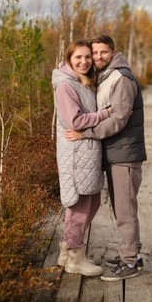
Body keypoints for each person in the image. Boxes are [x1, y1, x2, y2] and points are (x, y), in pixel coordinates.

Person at [65, 34, 147, 281]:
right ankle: (130, 253)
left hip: (124, 154)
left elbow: (119, 119)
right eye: (95, 53)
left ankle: (131, 262)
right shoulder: (106, 76)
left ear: (113, 51)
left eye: (103, 52)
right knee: (122, 208)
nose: (98, 57)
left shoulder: (121, 78)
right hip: (116, 153)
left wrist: (86, 133)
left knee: (125, 211)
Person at [51, 39, 111, 277]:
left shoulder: (82, 81)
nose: (84, 61)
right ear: (69, 59)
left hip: (87, 153)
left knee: (92, 202)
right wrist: (104, 114)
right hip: (76, 155)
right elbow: (74, 121)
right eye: (78, 57)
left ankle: (67, 250)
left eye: (88, 57)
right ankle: (76, 258)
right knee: (79, 207)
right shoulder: (66, 85)